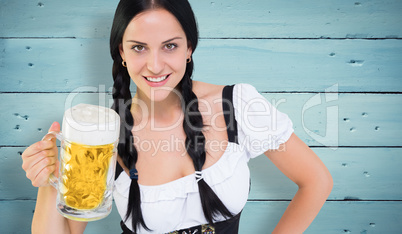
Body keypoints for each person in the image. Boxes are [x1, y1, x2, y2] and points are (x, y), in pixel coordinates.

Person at [21, 0, 333, 233]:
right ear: (122, 53)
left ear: (189, 48)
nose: (155, 65)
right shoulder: (103, 135)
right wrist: (48, 179)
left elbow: (316, 181)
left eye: (169, 46)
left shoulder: (237, 105)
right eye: (139, 47)